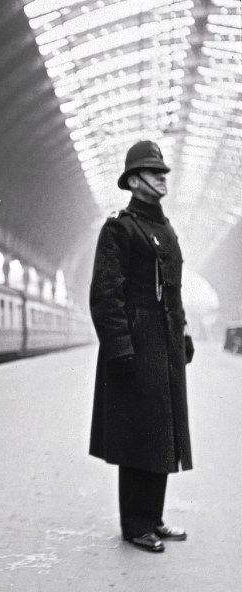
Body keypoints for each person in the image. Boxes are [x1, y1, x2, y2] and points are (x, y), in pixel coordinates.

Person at [89, 140, 194, 553]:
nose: (161, 177)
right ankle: (135, 525)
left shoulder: (165, 230)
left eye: (163, 171)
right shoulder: (120, 227)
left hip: (164, 345)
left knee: (162, 433)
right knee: (138, 435)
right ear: (133, 180)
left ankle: (153, 517)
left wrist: (182, 333)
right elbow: (105, 294)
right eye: (153, 172)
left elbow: (173, 290)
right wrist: (120, 349)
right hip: (135, 345)